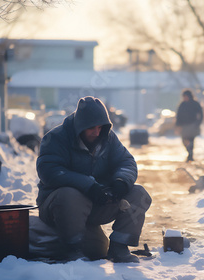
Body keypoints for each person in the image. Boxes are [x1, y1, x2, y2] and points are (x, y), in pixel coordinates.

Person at [36, 96, 152, 263]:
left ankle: (119, 248)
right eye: (91, 128)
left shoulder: (108, 137)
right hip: (59, 207)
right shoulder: (56, 138)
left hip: (96, 203)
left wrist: (121, 182)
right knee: (70, 195)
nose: (97, 132)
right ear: (80, 126)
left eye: (100, 127)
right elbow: (49, 171)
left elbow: (126, 161)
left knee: (138, 193)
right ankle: (71, 250)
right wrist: (89, 186)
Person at [175, 89, 203, 162]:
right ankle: (189, 153)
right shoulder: (182, 105)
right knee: (184, 140)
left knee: (191, 141)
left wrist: (198, 123)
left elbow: (201, 114)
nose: (185, 98)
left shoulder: (195, 104)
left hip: (192, 125)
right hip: (184, 126)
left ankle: (190, 155)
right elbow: (178, 115)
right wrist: (178, 125)